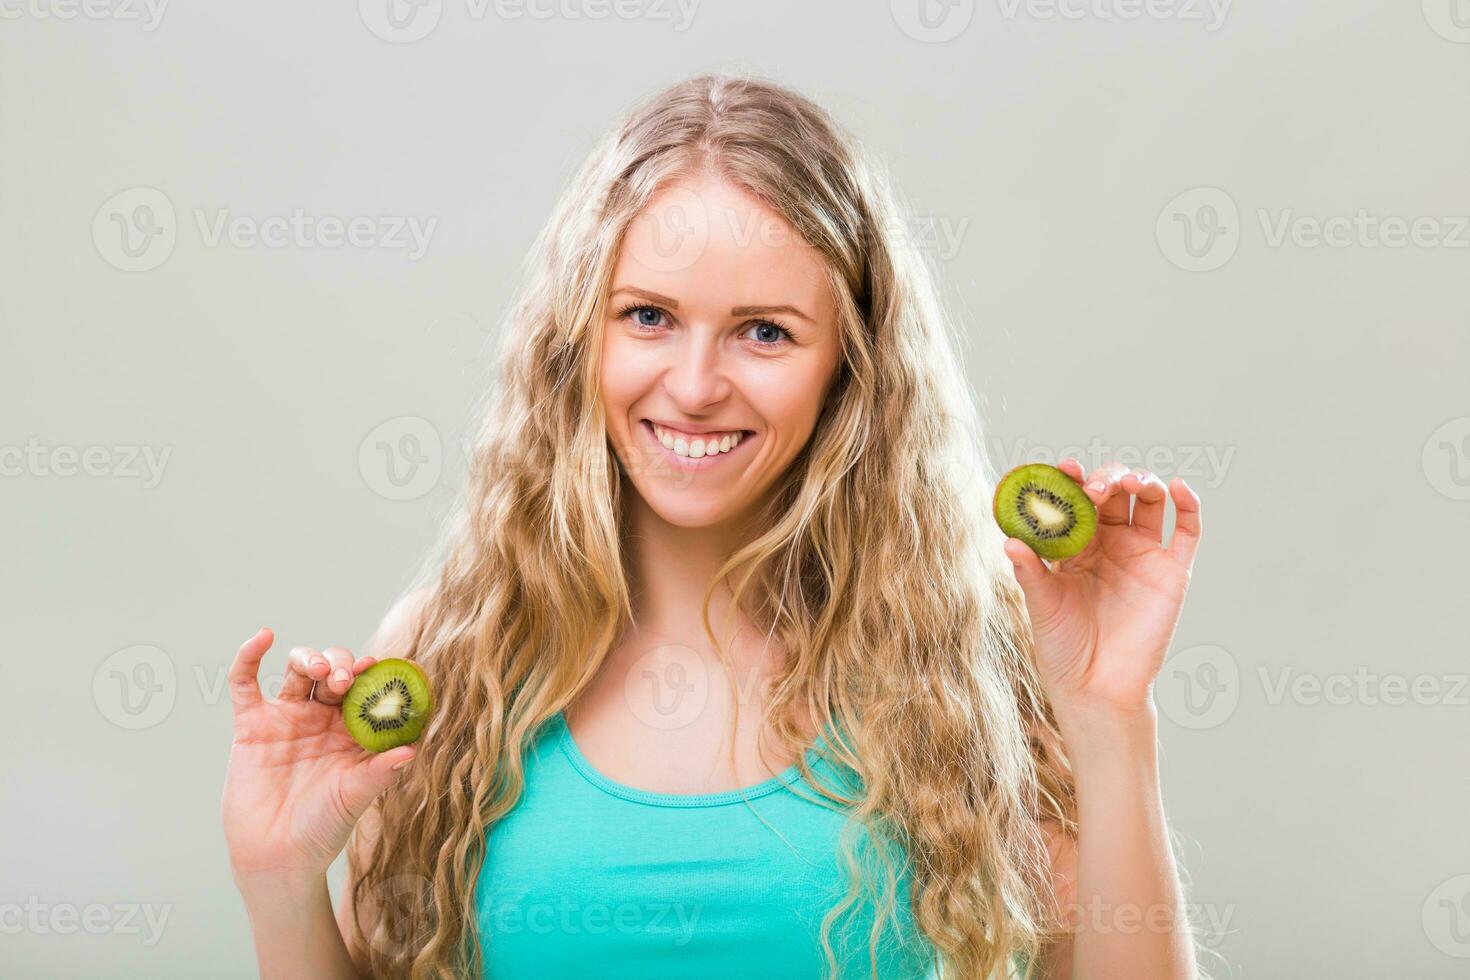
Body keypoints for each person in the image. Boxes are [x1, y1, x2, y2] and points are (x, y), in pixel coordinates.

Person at [222, 72, 1204, 979]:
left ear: (850, 368)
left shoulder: (975, 655)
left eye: (765, 330)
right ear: (577, 335)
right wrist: (279, 880)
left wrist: (1112, 718)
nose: (693, 387)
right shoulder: (451, 650)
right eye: (647, 316)